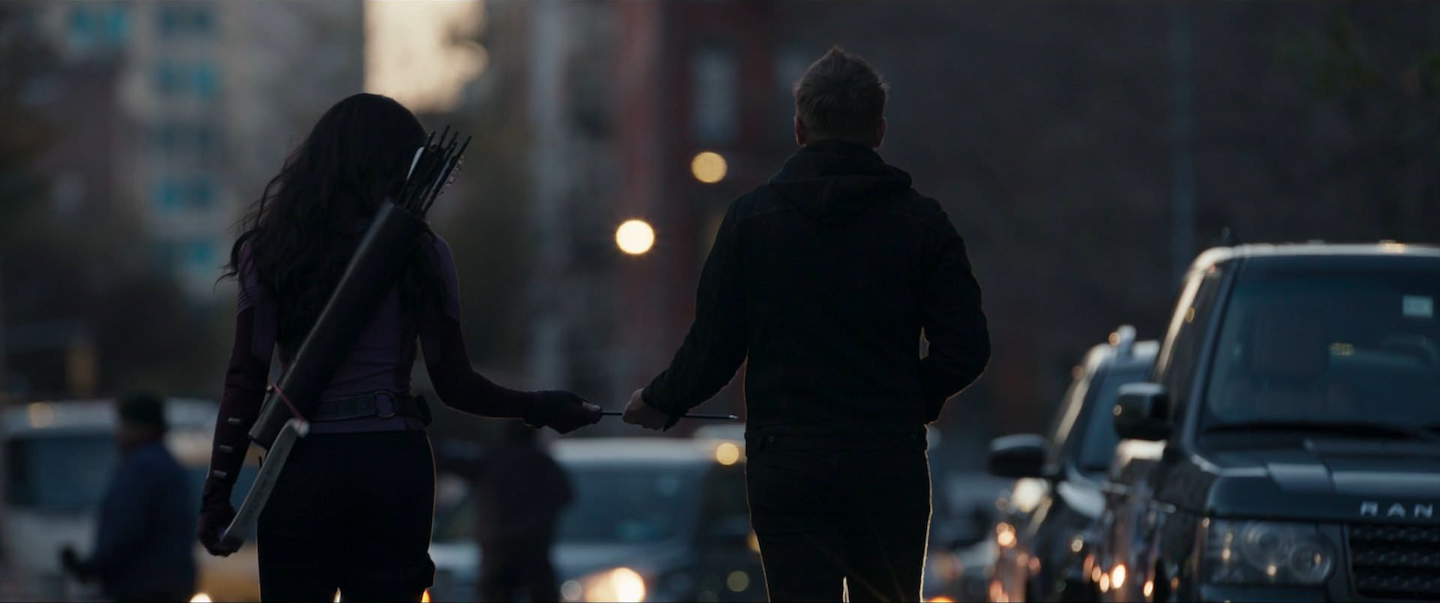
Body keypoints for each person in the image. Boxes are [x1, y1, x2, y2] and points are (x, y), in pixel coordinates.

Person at [196, 93, 602, 602]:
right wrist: (540, 407)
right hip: (393, 464)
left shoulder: (269, 252)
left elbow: (245, 379)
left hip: (301, 465)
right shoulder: (424, 253)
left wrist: (217, 493)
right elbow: (456, 385)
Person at [623, 47, 990, 602]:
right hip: (886, 457)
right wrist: (910, 399)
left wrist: (660, 400)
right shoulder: (921, 222)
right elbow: (966, 346)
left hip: (788, 458)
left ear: (799, 129)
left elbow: (715, 345)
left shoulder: (750, 221)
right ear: (879, 130)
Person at [60, 393, 197, 602]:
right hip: (170, 584)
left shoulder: (141, 468)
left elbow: (125, 528)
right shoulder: (167, 464)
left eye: (124, 425)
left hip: (143, 587)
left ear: (141, 428)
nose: (118, 433)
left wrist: (92, 567)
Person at [473, 421, 571, 602]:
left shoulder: (493, 460)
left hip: (498, 548)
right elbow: (565, 496)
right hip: (532, 548)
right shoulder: (543, 464)